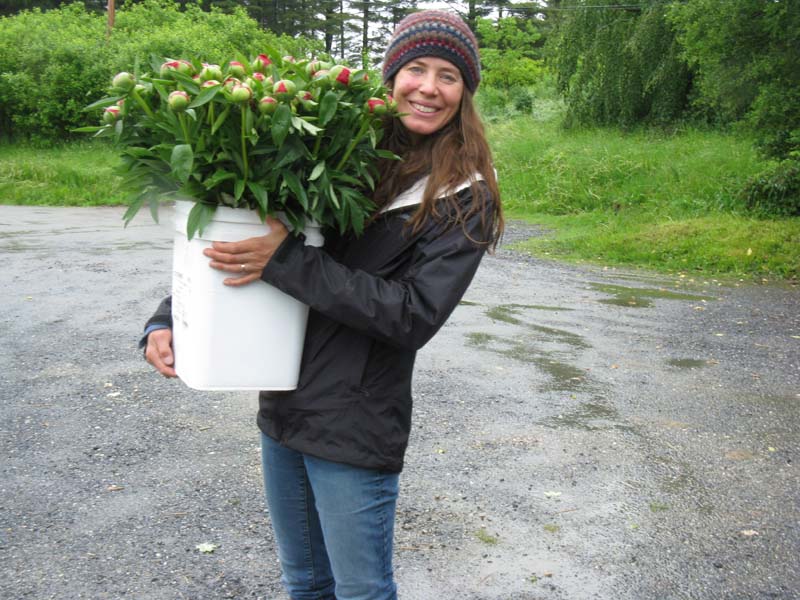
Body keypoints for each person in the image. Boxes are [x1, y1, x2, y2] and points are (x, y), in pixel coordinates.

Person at [143, 9, 503, 600]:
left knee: (362, 591)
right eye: (416, 69)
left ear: (464, 94)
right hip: (284, 401)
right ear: (392, 77)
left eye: (449, 76)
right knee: (306, 582)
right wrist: (169, 317)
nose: (429, 88)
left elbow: (412, 314)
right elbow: (249, 238)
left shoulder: (463, 195)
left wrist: (287, 262)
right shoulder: (341, 151)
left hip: (355, 422)